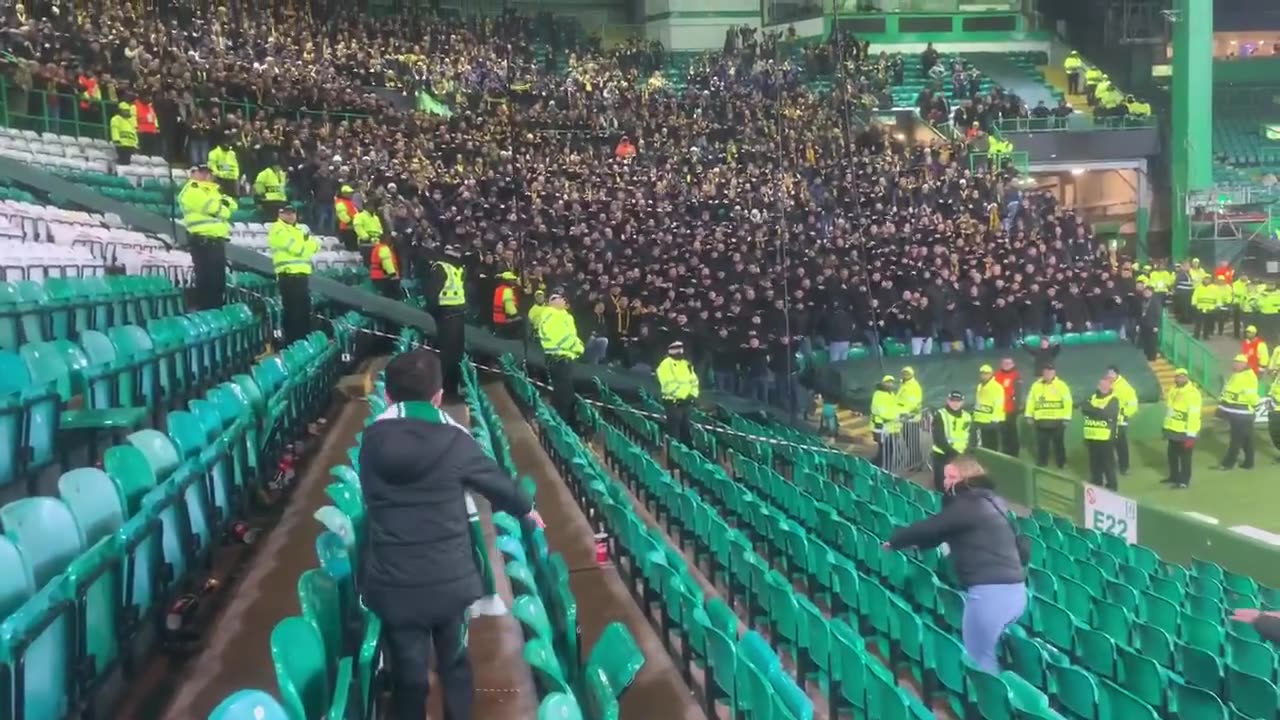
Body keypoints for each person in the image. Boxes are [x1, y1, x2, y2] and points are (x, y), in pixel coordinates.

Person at [358, 350, 538, 720]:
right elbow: (498, 484)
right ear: (438, 396)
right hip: (449, 583)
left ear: (388, 397)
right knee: (455, 666)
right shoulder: (455, 441)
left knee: (409, 680)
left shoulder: (371, 441)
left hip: (394, 583)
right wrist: (526, 508)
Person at [884, 456, 1027, 673]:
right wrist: (917, 544)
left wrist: (895, 540)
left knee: (980, 660)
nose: (947, 482)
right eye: (946, 477)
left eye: (952, 477)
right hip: (1013, 591)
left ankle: (992, 706)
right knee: (985, 653)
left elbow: (932, 527)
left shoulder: (967, 504)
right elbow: (944, 532)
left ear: (967, 478)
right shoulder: (990, 501)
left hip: (990, 595)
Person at [179, 164, 234, 310]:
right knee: (207, 280)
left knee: (218, 281)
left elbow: (233, 205)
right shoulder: (191, 189)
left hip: (217, 240)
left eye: (207, 172)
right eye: (201, 172)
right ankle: (207, 312)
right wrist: (222, 206)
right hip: (202, 241)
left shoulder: (214, 190)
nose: (205, 175)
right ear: (193, 173)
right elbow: (211, 207)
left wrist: (220, 207)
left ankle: (216, 310)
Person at [268, 206, 320, 345]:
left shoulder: (299, 229)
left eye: (293, 213)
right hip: (288, 275)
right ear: (280, 214)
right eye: (287, 213)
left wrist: (306, 245)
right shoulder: (277, 229)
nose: (291, 216)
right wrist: (306, 245)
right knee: (293, 311)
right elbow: (297, 248)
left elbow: (317, 245)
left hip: (302, 274)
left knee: (304, 310)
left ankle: (303, 341)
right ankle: (292, 342)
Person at [426, 246, 468, 398]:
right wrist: (438, 316)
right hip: (447, 317)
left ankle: (453, 388)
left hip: (458, 316)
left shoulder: (456, 270)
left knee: (457, 354)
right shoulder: (440, 268)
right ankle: (446, 391)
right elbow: (432, 295)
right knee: (448, 356)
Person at [538, 294, 584, 427]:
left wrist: (576, 345)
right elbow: (562, 338)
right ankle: (562, 427)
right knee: (564, 397)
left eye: (564, 297)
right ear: (551, 302)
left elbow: (571, 335)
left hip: (565, 359)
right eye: (558, 297)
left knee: (563, 395)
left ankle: (564, 425)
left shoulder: (564, 316)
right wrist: (578, 348)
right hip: (559, 359)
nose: (563, 299)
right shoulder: (551, 315)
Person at [1025, 363, 1072, 469]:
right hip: (1041, 420)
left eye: (1050, 372)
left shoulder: (1061, 385)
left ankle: (1061, 462)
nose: (1048, 374)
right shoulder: (1036, 385)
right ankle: (1042, 462)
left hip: (1057, 421)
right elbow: (1030, 400)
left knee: (1058, 443)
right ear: (1043, 373)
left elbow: (1068, 401)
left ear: (1054, 373)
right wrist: (1028, 415)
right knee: (1042, 443)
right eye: (1046, 372)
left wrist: (1067, 418)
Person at [1218, 353, 1260, 471]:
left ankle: (1228, 463)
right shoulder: (1236, 374)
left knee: (1236, 439)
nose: (1234, 365)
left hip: (1243, 413)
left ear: (1244, 364)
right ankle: (1249, 462)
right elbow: (1228, 391)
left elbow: (1251, 395)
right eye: (1234, 362)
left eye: (1237, 363)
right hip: (1236, 412)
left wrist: (1254, 406)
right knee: (1247, 439)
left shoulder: (1249, 376)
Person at [1163, 368, 1201, 488]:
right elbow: (1170, 410)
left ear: (1187, 378)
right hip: (1173, 429)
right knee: (1172, 454)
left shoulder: (1192, 393)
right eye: (1178, 376)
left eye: (1183, 376)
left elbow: (1194, 415)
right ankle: (1174, 476)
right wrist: (1166, 427)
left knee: (1185, 457)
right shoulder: (1173, 390)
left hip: (1185, 431)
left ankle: (1184, 481)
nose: (1180, 378)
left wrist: (1191, 435)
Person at [656, 341, 699, 446]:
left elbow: (694, 381)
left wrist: (692, 395)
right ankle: (674, 456)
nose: (680, 352)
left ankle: (686, 454)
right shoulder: (665, 365)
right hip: (673, 403)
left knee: (685, 429)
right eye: (677, 349)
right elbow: (667, 385)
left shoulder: (686, 364)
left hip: (686, 403)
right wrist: (681, 396)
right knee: (674, 432)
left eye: (681, 349)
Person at [1082, 375, 1120, 490]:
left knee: (1108, 463)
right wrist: (1099, 411)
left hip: (1106, 437)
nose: (1102, 386)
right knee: (1094, 462)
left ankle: (1112, 485)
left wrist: (1093, 411)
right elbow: (1084, 408)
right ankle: (1096, 481)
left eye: (1105, 384)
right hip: (1092, 435)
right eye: (1101, 384)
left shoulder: (1113, 399)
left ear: (1109, 385)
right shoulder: (1092, 397)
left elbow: (1109, 414)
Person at [930, 391, 972, 491]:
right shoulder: (940, 415)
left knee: (960, 486)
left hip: (961, 455)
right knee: (942, 486)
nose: (955, 404)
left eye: (958, 401)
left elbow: (971, 436)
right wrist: (953, 453)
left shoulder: (967, 416)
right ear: (948, 401)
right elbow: (938, 438)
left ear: (963, 402)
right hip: (943, 456)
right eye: (953, 401)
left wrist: (967, 452)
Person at [1104, 366, 1138, 475]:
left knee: (1121, 445)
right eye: (1108, 373)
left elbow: (1133, 404)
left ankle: (1124, 467)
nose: (1109, 376)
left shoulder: (1125, 387)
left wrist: (1124, 414)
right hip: (1108, 420)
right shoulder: (1107, 385)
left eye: (1111, 374)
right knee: (1108, 444)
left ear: (1116, 374)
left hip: (1120, 421)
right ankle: (1110, 465)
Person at [871, 375, 901, 469]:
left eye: (891, 382)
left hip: (891, 428)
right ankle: (883, 468)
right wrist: (895, 416)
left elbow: (894, 407)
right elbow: (881, 411)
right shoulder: (878, 395)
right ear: (883, 383)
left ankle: (878, 465)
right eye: (888, 382)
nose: (890, 384)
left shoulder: (891, 394)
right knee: (886, 450)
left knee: (886, 450)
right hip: (882, 428)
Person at [973, 364, 1005, 452]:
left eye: (986, 373)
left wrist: (995, 419)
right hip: (980, 418)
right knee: (983, 443)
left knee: (992, 443)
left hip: (991, 419)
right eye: (982, 373)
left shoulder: (997, 387)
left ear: (991, 374)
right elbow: (978, 401)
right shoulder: (980, 386)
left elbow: (999, 403)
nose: (984, 375)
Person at [993, 358, 1021, 457]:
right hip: (999, 409)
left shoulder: (1016, 375)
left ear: (1013, 364)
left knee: (1012, 431)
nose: (1006, 365)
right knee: (1003, 431)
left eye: (1009, 363)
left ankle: (1014, 453)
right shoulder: (996, 375)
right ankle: (1006, 452)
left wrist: (1016, 406)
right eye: (1004, 363)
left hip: (1011, 409)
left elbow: (1018, 393)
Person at [370, 233, 401, 299]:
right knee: (390, 296)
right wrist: (393, 275)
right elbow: (387, 263)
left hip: (375, 276)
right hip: (383, 277)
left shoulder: (376, 248)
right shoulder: (384, 248)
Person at [492, 270, 522, 339]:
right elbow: (509, 306)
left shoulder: (498, 288)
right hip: (503, 319)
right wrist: (515, 315)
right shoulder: (507, 290)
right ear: (507, 280)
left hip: (496, 319)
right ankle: (510, 335)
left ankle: (499, 332)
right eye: (511, 280)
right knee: (520, 320)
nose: (513, 281)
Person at [335, 184, 359, 252]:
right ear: (344, 193)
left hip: (353, 227)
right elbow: (343, 216)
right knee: (350, 248)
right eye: (349, 193)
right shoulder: (340, 202)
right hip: (347, 228)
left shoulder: (349, 201)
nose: (351, 194)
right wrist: (351, 221)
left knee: (354, 247)